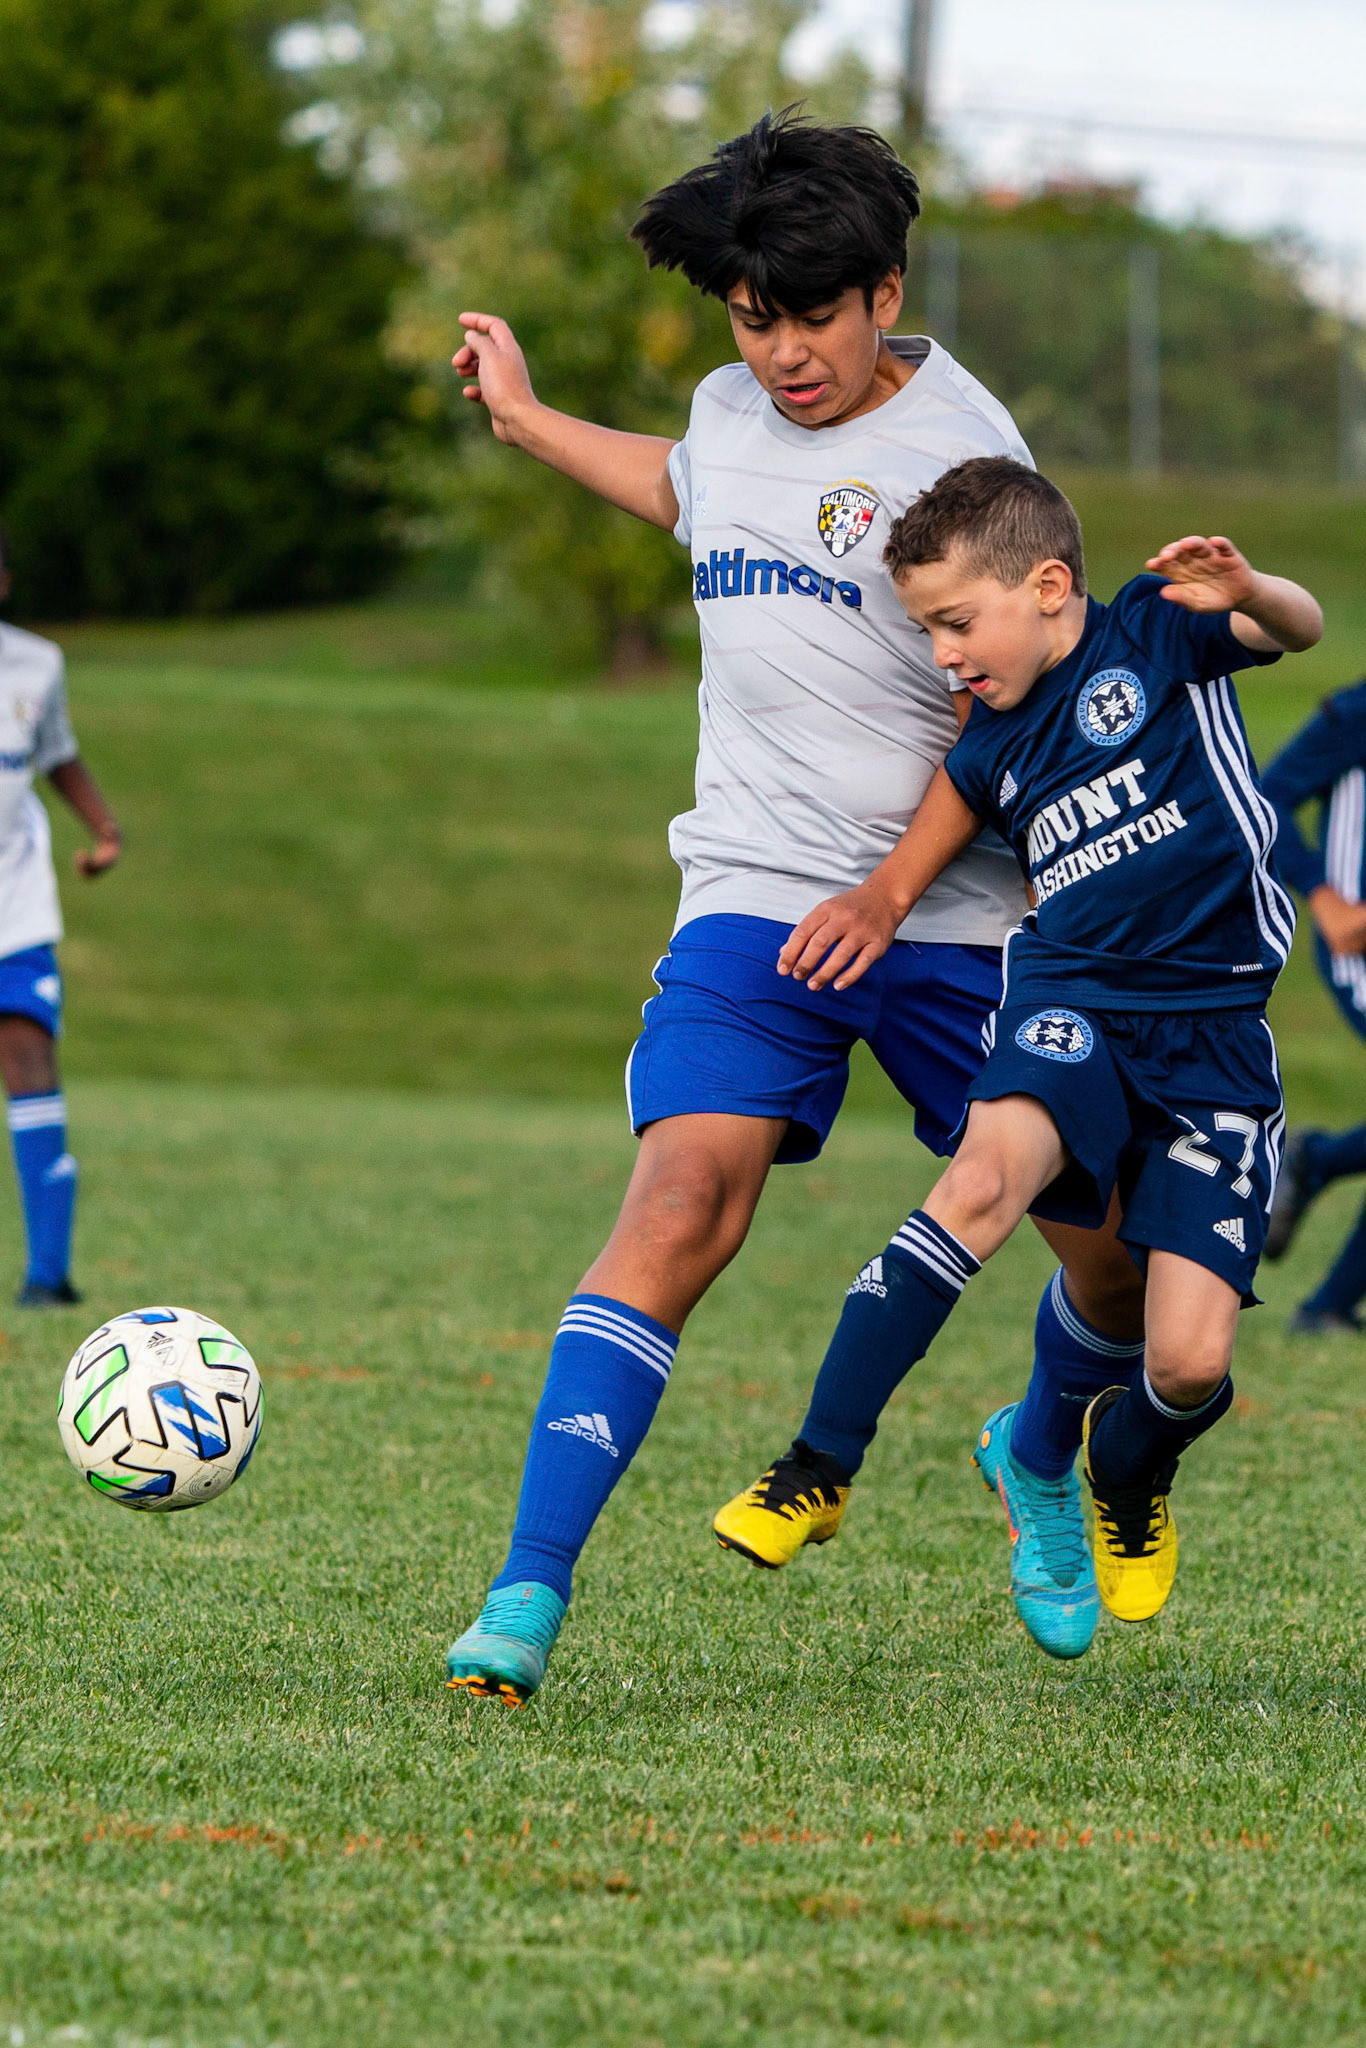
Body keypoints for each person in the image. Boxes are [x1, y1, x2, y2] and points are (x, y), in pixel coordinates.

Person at [442, 111, 1145, 1706]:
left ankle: (1034, 1444)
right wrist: (533, 417)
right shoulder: (726, 408)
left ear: (883, 291)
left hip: (958, 919)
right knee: (678, 1205)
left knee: (1107, 1264)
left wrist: (888, 892)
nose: (779, 354)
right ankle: (525, 1593)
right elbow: (697, 491)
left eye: (809, 317)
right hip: (752, 898)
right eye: (750, 319)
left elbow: (1018, 709)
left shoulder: (970, 459)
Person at [741, 457, 1320, 1660]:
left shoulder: (1157, 634)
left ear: (1049, 585)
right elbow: (932, 830)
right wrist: (880, 900)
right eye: (927, 630)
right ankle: (815, 1464)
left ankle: (1112, 1464)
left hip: (1214, 1036)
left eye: (956, 622)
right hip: (1069, 999)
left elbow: (1295, 628)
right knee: (979, 1182)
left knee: (1189, 1357)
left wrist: (1248, 582)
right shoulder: (994, 743)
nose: (944, 654)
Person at [0, 527, 122, 1305]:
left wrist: (103, 829)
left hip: (14, 903)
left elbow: (56, 755)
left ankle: (48, 1274)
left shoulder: (37, 663)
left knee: (29, 1058)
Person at [1260, 681, 1366, 1333]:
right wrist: (1324, 900)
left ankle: (1319, 1159)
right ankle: (1327, 1305)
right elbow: (1265, 799)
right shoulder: (1356, 714)